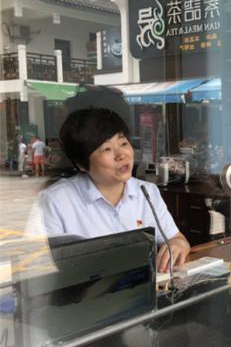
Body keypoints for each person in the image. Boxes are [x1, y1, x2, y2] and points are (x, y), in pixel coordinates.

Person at [37, 108, 190, 272]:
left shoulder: (146, 191)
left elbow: (176, 238)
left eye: (123, 143)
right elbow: (44, 268)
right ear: (81, 164)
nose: (121, 155)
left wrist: (177, 245)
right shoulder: (56, 200)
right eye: (106, 149)